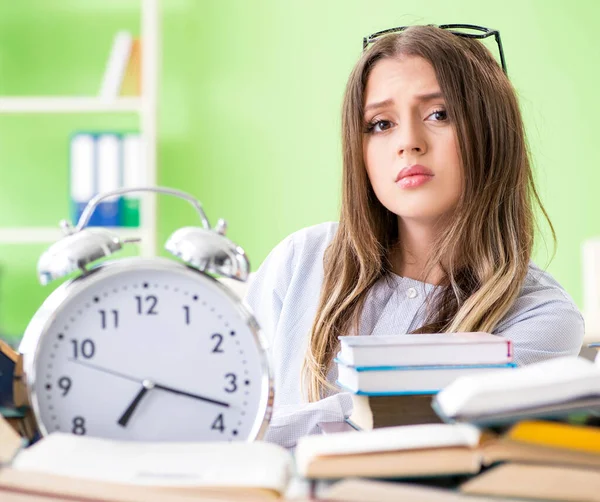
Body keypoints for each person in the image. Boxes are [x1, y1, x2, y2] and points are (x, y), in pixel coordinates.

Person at [245, 24, 584, 448]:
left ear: (492, 133)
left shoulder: (541, 319)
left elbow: (410, 423)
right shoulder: (301, 260)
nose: (408, 143)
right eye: (381, 123)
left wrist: (255, 430)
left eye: (439, 114)